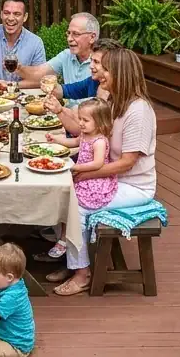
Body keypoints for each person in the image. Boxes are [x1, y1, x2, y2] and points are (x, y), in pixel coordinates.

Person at [53, 47, 157, 296]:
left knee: (74, 204)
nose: (99, 73)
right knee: (61, 192)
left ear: (120, 73)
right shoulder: (112, 102)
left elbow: (126, 163)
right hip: (109, 178)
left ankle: (82, 274)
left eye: (105, 69)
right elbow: (86, 134)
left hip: (134, 186)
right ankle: (73, 262)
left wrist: (85, 174)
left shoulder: (138, 111)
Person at [40, 98, 118, 259]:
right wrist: (56, 139)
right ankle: (64, 234)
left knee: (71, 203)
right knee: (65, 197)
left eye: (85, 120)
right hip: (82, 175)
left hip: (94, 181)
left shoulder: (99, 141)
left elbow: (97, 163)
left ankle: (73, 235)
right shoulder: (86, 134)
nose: (81, 123)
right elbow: (73, 142)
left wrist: (75, 168)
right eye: (80, 119)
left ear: (100, 122)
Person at [19, 12, 99, 103]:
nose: (69, 38)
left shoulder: (104, 63)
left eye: (76, 34)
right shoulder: (66, 55)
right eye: (68, 33)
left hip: (89, 116)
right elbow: (38, 73)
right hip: (68, 113)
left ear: (92, 37)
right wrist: (17, 68)